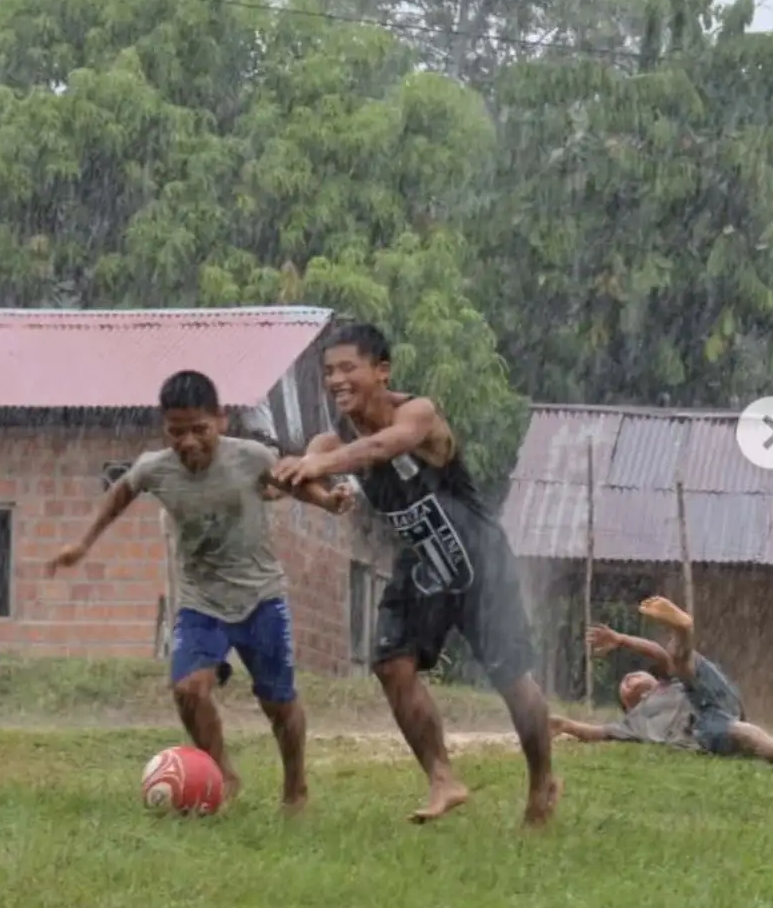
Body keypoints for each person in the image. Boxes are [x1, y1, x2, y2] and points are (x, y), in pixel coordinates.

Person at [272, 322, 560, 827]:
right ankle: (442, 777)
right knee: (391, 666)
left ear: (381, 371)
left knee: (512, 680)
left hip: (478, 558)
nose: (336, 381)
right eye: (328, 372)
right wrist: (321, 492)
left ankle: (542, 781)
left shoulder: (419, 413)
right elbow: (302, 479)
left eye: (348, 368)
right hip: (423, 561)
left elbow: (384, 447)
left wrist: (320, 465)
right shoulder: (330, 439)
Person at [46, 370, 355, 813]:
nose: (188, 442)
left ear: (221, 421)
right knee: (188, 689)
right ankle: (222, 774)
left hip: (260, 596)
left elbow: (291, 482)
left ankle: (295, 789)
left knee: (278, 703)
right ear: (164, 429)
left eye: (199, 430)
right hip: (200, 600)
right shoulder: (156, 468)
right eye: (176, 432)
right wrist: (83, 542)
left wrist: (327, 500)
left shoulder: (249, 456)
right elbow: (121, 491)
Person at [552, 596, 773, 770]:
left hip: (708, 694)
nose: (629, 678)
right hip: (701, 728)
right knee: (745, 733)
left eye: (635, 674)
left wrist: (622, 640)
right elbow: (596, 732)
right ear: (629, 705)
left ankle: (683, 630)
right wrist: (563, 724)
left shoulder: (667, 682)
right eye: (624, 686)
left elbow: (656, 653)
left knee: (678, 661)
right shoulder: (632, 724)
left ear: (653, 680)